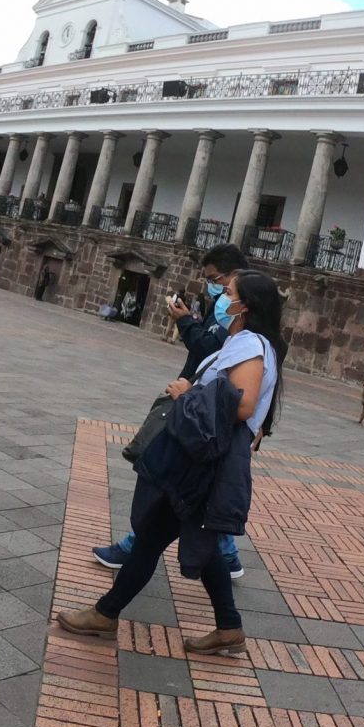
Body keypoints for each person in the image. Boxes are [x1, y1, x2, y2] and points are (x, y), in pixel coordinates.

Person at [58, 270, 286, 655]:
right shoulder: (248, 341)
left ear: (244, 306)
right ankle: (228, 627)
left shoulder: (250, 345)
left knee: (153, 538)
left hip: (202, 461)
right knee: (194, 538)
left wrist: (188, 394)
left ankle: (105, 614)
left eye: (227, 293)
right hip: (204, 458)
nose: (220, 298)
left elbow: (242, 404)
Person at [95, 243, 249, 576]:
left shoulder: (247, 328)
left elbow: (216, 354)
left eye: (216, 280)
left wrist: (185, 324)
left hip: (202, 415)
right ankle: (226, 556)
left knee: (168, 482)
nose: (214, 287)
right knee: (198, 493)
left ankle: (134, 549)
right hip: (196, 408)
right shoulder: (228, 313)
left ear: (234, 278)